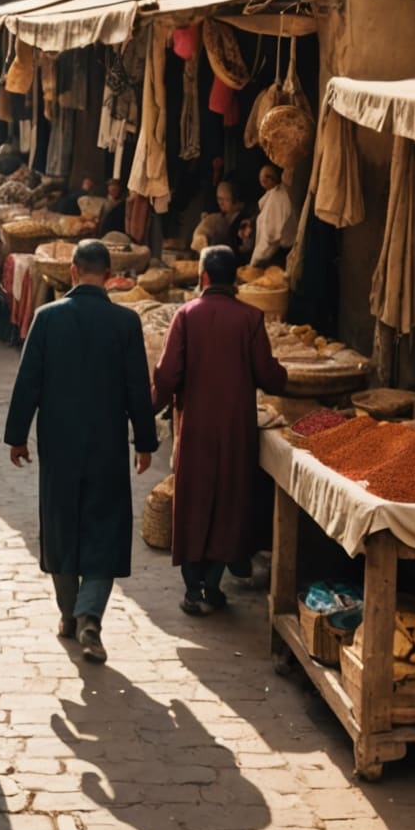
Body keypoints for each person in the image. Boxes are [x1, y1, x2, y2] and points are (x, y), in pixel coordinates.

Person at [5, 240, 158, 665]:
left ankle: (69, 615)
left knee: (60, 523)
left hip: (59, 443)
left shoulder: (47, 318)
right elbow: (136, 390)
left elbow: (28, 382)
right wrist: (144, 442)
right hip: (107, 442)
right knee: (103, 525)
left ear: (73, 271)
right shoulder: (125, 323)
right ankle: (90, 614)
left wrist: (17, 435)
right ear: (108, 276)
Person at [151, 246, 288, 612]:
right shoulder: (251, 318)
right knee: (229, 504)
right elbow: (269, 376)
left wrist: (147, 410)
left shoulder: (187, 315)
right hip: (235, 430)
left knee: (194, 503)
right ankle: (212, 586)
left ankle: (193, 589)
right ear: (234, 279)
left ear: (205, 277)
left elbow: (166, 376)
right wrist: (286, 375)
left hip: (195, 427)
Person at [192, 181, 254, 263]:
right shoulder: (217, 217)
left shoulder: (244, 219)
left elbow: (247, 248)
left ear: (237, 201)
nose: (221, 203)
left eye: (226, 199)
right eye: (219, 199)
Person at [251, 163, 295, 267]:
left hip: (274, 257)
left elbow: (270, 235)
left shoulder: (278, 197)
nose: (264, 180)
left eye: (268, 177)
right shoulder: (270, 197)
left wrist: (254, 263)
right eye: (262, 177)